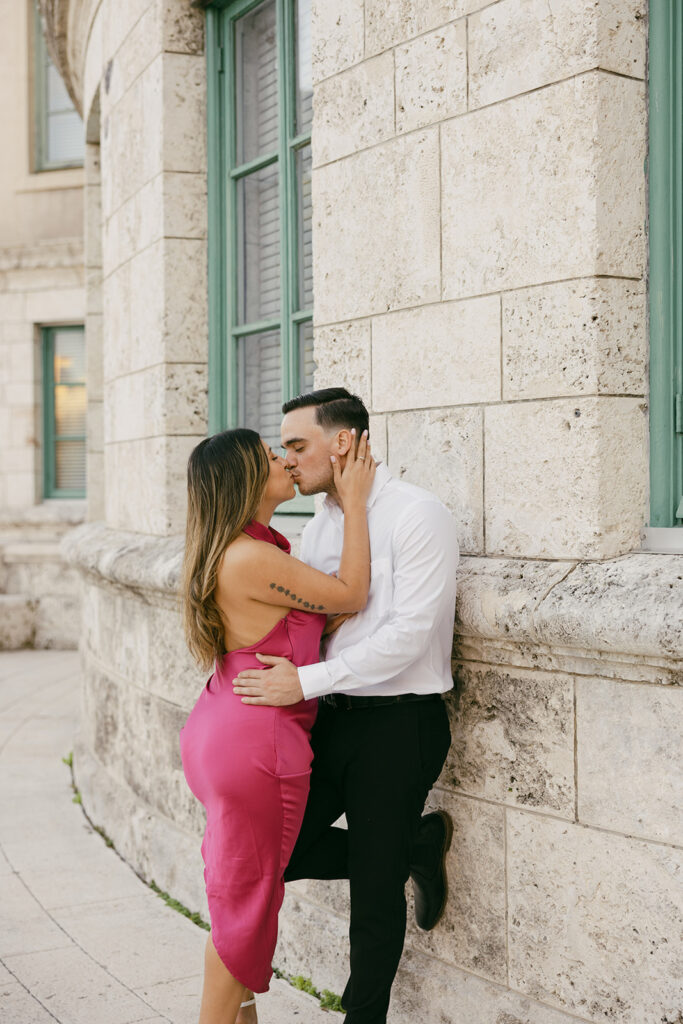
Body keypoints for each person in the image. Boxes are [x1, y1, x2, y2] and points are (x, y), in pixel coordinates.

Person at [233, 388, 459, 1024]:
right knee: (277, 852)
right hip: (334, 716)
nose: (289, 459)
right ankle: (411, 848)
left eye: (298, 446)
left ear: (343, 443)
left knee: (374, 901)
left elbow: (409, 638)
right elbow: (322, 611)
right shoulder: (325, 520)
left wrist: (302, 681)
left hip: (399, 723)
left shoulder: (419, 515)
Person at [179, 425, 376, 1024]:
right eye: (271, 456)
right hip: (256, 743)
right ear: (245, 479)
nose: (286, 460)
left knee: (239, 891)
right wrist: (357, 503)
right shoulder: (251, 556)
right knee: (245, 902)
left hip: (227, 730)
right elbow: (353, 591)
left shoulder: (246, 546)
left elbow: (311, 622)